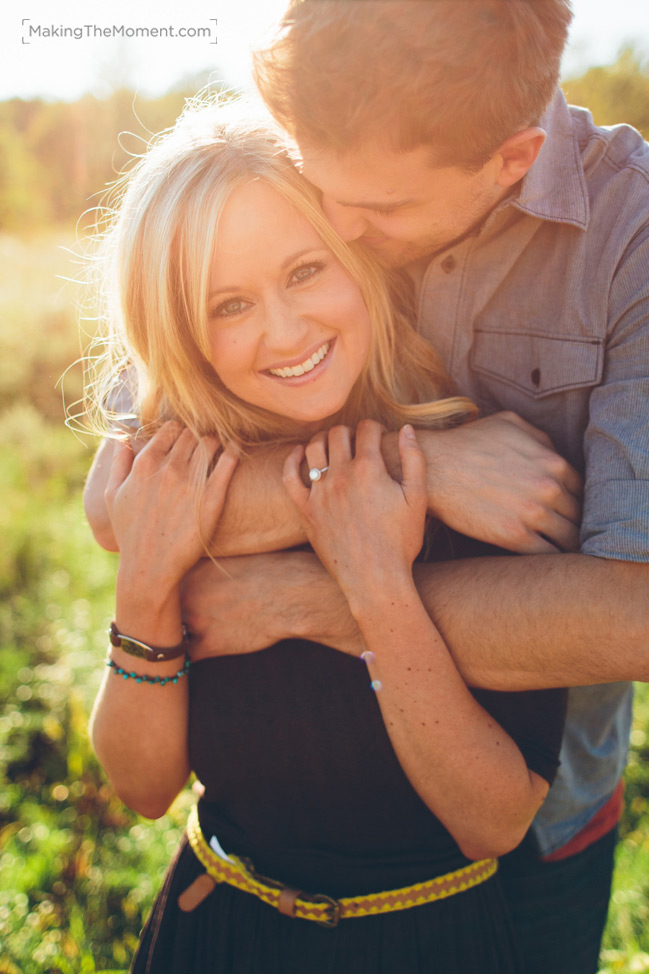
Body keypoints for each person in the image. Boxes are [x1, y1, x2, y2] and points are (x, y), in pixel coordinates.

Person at [155, 2, 647, 972]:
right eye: (314, 184)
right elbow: (122, 496)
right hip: (290, 799)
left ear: (512, 158)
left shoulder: (630, 241)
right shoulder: (296, 152)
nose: (335, 227)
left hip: (529, 823)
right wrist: (424, 467)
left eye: (378, 212)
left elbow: (635, 615)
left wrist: (319, 595)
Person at [85, 101, 568, 973]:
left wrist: (375, 587)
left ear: (359, 255)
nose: (285, 331)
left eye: (305, 270)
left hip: (427, 940)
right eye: (229, 304)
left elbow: (494, 820)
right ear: (181, 332)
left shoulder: (484, 469)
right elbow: (144, 788)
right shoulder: (189, 479)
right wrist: (146, 584)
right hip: (214, 927)